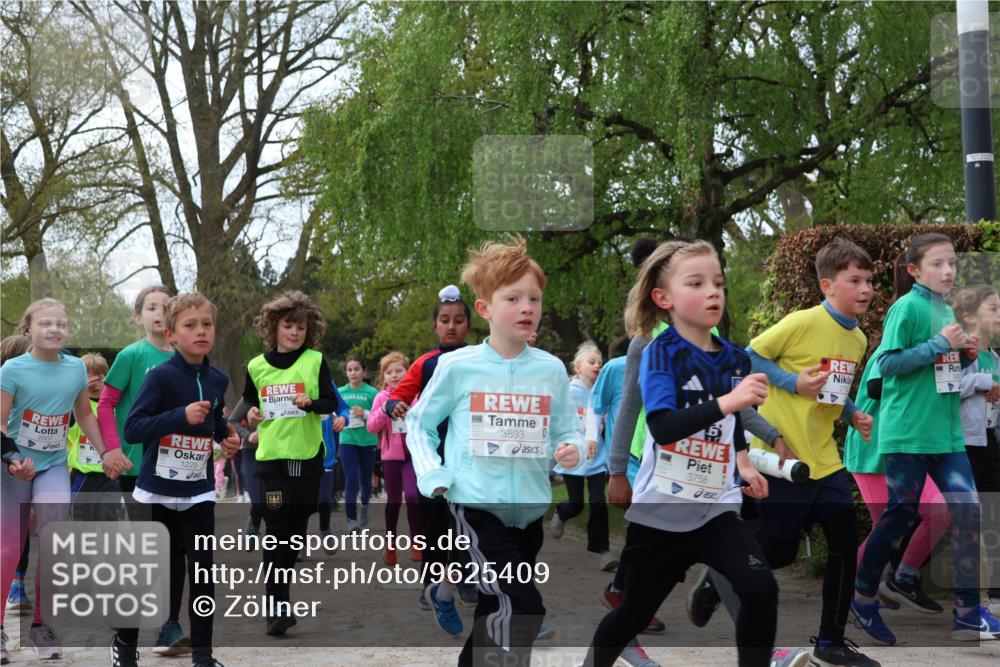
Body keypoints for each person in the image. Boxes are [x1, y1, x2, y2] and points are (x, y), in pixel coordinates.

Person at [584, 240, 776, 667]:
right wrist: (617, 469)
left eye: (718, 283)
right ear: (663, 298)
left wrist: (744, 462)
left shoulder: (734, 358)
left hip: (716, 507)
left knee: (761, 588)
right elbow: (663, 427)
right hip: (662, 514)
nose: (713, 293)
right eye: (697, 283)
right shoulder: (658, 352)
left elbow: (731, 425)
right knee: (632, 614)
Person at [408, 237, 585, 664]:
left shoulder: (550, 369)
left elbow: (567, 429)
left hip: (529, 512)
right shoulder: (458, 366)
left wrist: (572, 449)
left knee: (495, 608)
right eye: (513, 298)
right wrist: (433, 473)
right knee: (524, 606)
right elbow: (418, 423)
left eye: (534, 298)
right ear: (485, 308)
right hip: (475, 507)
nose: (527, 308)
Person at [724, 237, 879, 667]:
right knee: (780, 551)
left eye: (869, 280)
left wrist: (852, 413)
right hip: (783, 456)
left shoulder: (858, 339)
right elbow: (750, 356)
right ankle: (718, 572)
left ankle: (831, 642)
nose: (866, 289)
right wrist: (792, 383)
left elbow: (831, 389)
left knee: (845, 542)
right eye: (855, 280)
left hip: (825, 459)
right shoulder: (803, 321)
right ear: (828, 286)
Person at [851, 233, 1000, 643]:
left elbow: (940, 367)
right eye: (937, 263)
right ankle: (862, 597)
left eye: (952, 263)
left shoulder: (946, 309)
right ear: (914, 270)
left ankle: (967, 614)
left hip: (946, 434)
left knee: (969, 512)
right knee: (900, 514)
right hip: (907, 432)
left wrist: (964, 355)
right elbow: (886, 364)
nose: (948, 270)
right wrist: (939, 344)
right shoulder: (906, 307)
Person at [112, 292, 240, 667]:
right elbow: (133, 428)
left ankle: (203, 656)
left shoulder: (217, 379)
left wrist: (226, 435)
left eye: (207, 324)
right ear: (171, 334)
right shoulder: (160, 377)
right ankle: (125, 645)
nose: (200, 331)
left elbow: (214, 419)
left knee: (202, 572)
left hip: (198, 492)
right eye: (190, 325)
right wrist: (179, 417)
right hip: (156, 491)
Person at [1, 299, 114, 661]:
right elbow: (0, 423)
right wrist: (11, 459)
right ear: (28, 328)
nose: (53, 329)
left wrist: (106, 452)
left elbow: (85, 415)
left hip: (52, 465)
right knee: (9, 547)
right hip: (15, 465)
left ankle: (41, 626)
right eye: (45, 323)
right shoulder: (12, 369)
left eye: (60, 324)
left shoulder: (75, 369)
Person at [243, 290, 345, 636]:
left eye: (301, 327)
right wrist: (251, 415)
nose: (295, 332)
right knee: (276, 532)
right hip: (272, 462)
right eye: (288, 325)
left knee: (294, 535)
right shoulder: (256, 366)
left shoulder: (315, 361)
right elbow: (249, 404)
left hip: (307, 461)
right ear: (274, 327)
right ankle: (277, 607)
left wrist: (311, 403)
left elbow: (331, 401)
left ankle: (281, 598)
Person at [97, 285, 187, 655]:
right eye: (151, 307)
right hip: (136, 465)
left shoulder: (186, 357)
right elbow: (105, 404)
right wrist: (112, 448)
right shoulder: (131, 355)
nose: (159, 312)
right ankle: (125, 630)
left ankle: (169, 625)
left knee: (176, 546)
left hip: (177, 466)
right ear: (139, 317)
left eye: (166, 306)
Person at [384, 284, 476, 611]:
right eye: (445, 320)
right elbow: (399, 394)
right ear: (435, 325)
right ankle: (431, 583)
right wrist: (393, 405)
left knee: (467, 518)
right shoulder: (425, 363)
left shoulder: (479, 359)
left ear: (469, 325)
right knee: (433, 522)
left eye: (459, 320)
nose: (451, 326)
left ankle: (466, 579)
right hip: (432, 456)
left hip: (470, 455)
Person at [550, 342, 618, 571]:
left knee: (598, 502)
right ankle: (562, 512)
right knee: (577, 504)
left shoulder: (602, 393)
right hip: (573, 456)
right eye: (591, 362)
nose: (597, 365)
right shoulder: (569, 392)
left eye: (600, 362)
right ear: (578, 367)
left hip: (597, 456)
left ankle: (604, 551)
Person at [367, 351, 421, 564]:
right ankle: (390, 546)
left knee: (413, 496)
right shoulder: (381, 397)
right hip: (391, 457)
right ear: (384, 376)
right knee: (394, 501)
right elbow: (371, 427)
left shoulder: (417, 395)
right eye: (389, 372)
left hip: (413, 454)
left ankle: (417, 542)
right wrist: (385, 409)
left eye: (399, 370)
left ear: (408, 372)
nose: (394, 375)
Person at [338, 355, 379, 530]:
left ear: (364, 372)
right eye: (349, 370)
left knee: (366, 481)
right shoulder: (340, 392)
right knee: (351, 479)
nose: (353, 373)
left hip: (368, 441)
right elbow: (334, 413)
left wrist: (365, 413)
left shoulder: (372, 392)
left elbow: (378, 416)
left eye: (356, 369)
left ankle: (365, 505)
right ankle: (351, 520)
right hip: (347, 440)